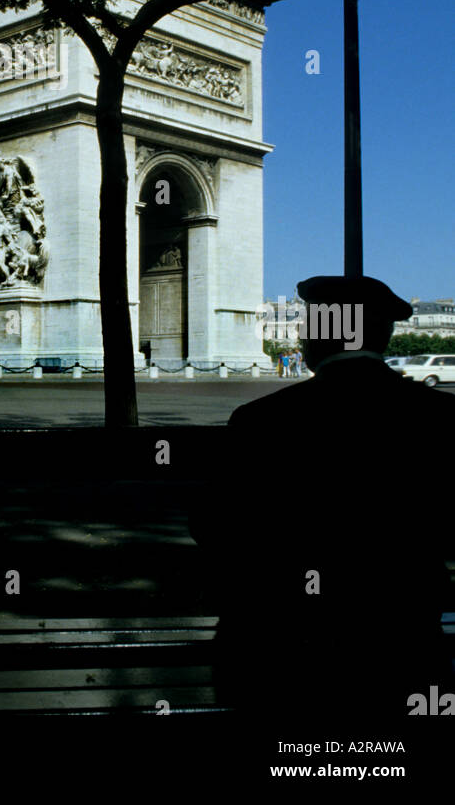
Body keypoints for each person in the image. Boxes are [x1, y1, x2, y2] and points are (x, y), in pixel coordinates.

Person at [190, 274, 454, 718]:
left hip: (278, 640)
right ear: (385, 335)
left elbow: (212, 526)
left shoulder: (261, 420)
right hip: (403, 637)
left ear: (316, 337)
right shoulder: (442, 417)